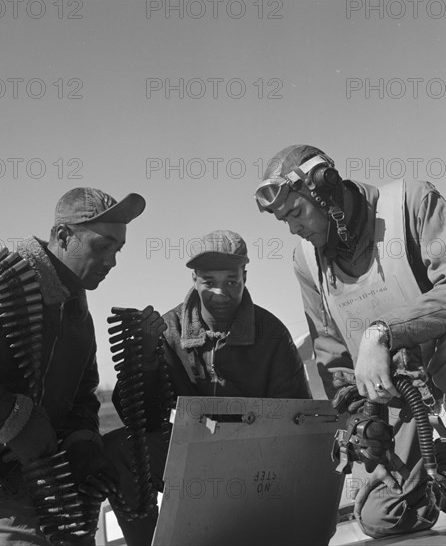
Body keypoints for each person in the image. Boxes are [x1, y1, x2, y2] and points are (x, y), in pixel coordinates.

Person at [254, 144, 446, 537]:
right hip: (402, 398)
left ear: (324, 190)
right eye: (284, 221)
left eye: (296, 213)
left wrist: (382, 332)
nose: (294, 229)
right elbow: (332, 355)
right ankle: (441, 465)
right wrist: (360, 419)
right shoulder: (306, 260)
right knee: (380, 517)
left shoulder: (411, 202)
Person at [0, 187, 146, 546]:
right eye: (103, 246)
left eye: (118, 249)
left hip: (27, 472)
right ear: (63, 236)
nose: (112, 261)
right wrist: (12, 421)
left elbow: (82, 394)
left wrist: (82, 442)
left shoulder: (77, 315)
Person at [104, 229, 310, 546]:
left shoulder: (272, 335)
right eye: (209, 282)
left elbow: (298, 419)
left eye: (231, 281)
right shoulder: (168, 332)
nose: (220, 293)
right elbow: (140, 417)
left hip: (257, 460)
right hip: (192, 457)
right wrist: (142, 360)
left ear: (245, 276)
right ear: (195, 280)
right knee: (119, 450)